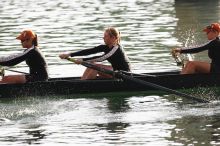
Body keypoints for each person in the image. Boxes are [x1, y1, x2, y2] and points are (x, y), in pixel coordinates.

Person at [59, 27, 130, 79]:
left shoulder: (116, 49)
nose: (103, 38)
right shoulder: (106, 47)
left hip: (124, 75)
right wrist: (69, 54)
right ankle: (82, 82)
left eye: (105, 36)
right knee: (92, 64)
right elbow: (89, 51)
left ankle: (83, 86)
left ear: (113, 38)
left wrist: (82, 60)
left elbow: (101, 58)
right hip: (115, 71)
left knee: (95, 67)